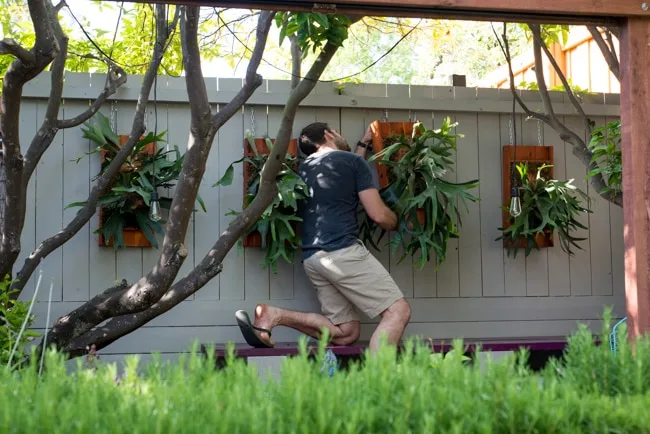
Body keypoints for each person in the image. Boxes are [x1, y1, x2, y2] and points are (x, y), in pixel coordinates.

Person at [235, 122, 411, 352]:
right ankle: (378, 382)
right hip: (342, 251)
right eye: (338, 132)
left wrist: (363, 143)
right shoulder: (352, 163)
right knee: (398, 311)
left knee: (346, 333)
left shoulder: (304, 168)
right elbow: (378, 215)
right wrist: (400, 221)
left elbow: (348, 170)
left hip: (314, 259)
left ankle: (273, 315)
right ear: (328, 134)